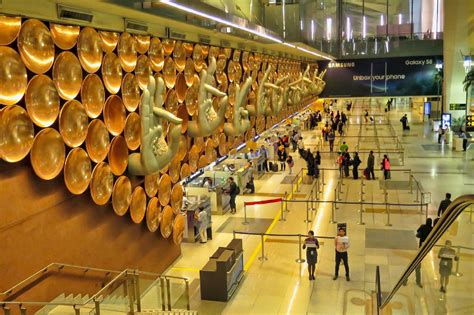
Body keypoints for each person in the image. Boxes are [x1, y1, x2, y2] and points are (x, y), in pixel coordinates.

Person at [415, 218, 433, 287]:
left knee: (418, 263)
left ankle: (418, 281)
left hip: (421, 246)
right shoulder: (432, 228)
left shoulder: (423, 226)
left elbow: (417, 231)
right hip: (427, 247)